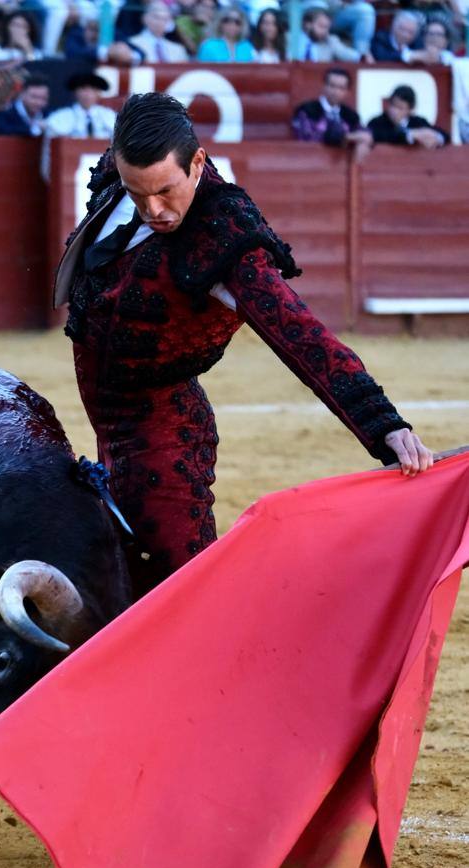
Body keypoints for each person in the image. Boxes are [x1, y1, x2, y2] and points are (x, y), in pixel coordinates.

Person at [54, 93, 432, 591]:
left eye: (166, 191)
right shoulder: (125, 173)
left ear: (197, 163)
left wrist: (383, 425)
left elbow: (298, 333)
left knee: (179, 590)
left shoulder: (224, 239)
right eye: (137, 192)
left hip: (163, 440)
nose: (153, 209)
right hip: (113, 431)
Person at [292, 67, 372, 160]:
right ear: (324, 86)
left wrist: (363, 141)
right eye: (332, 86)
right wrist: (346, 137)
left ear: (347, 92)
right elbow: (306, 137)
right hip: (310, 161)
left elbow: (364, 132)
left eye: (341, 88)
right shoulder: (307, 110)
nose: (336, 92)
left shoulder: (351, 115)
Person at [367, 84, 449, 147]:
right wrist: (410, 135)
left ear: (410, 110)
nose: (394, 111)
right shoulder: (377, 122)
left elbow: (445, 135)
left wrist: (436, 138)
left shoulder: (418, 122)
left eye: (400, 108)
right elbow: (379, 135)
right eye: (392, 105)